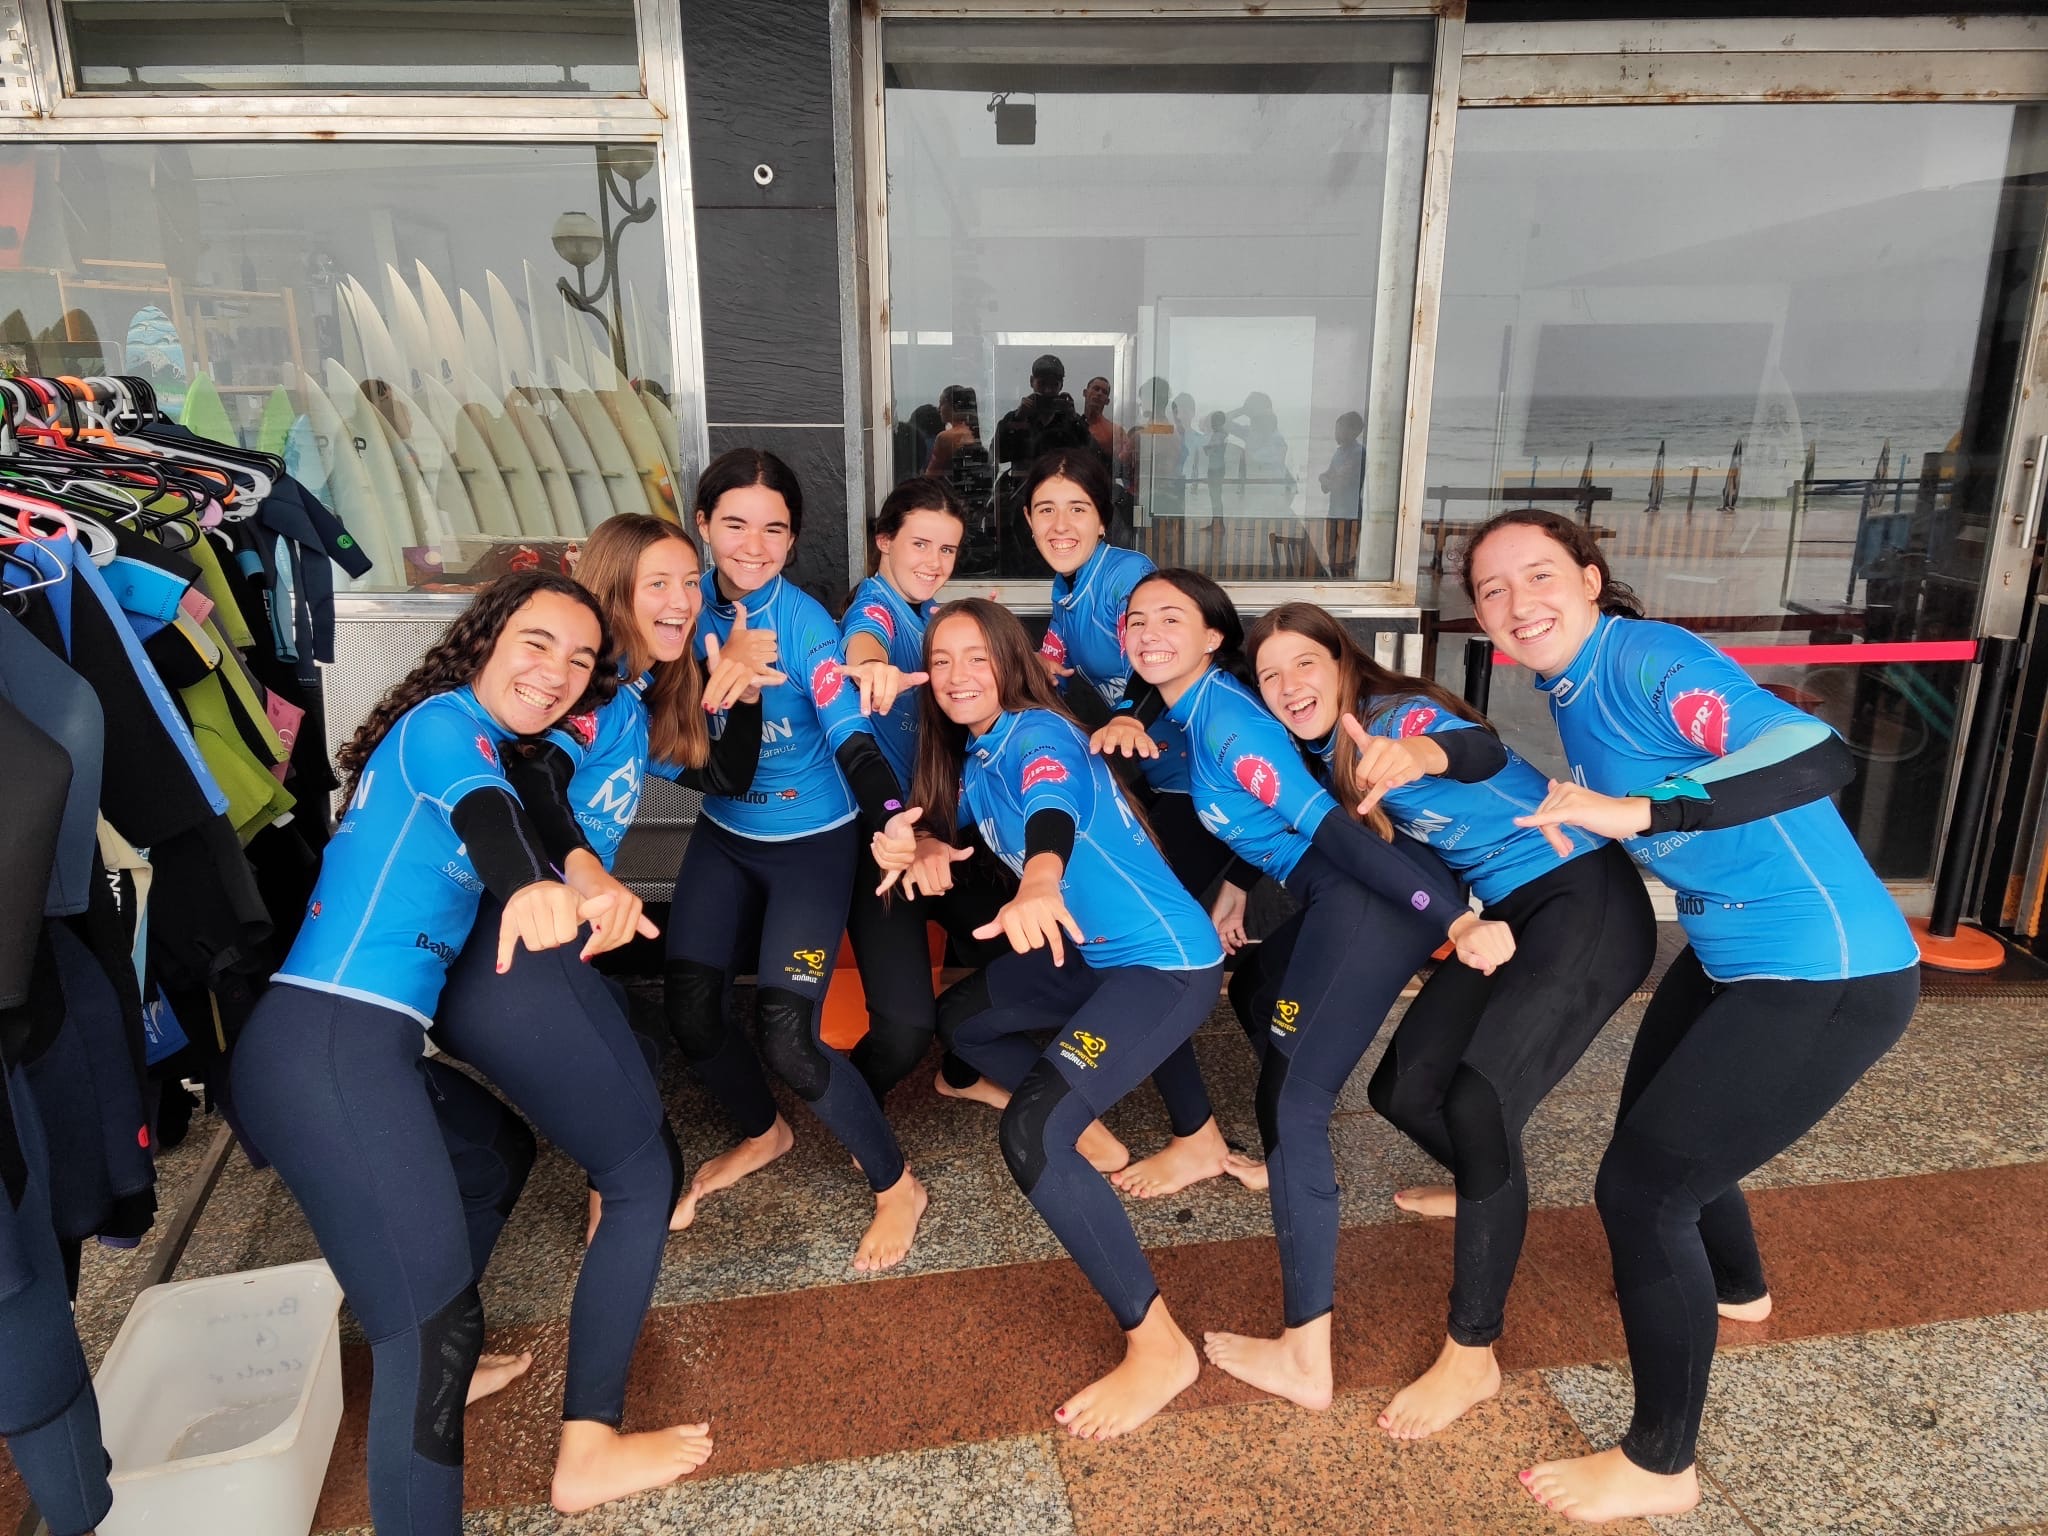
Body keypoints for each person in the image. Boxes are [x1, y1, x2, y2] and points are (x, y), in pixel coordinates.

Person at [1458, 508, 1919, 1525]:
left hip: (1824, 972)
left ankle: (1661, 1464)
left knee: (1639, 1193)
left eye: (1539, 575)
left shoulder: (1644, 660)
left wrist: (1642, 811)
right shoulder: (1570, 686)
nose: (1517, 602)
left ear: (1589, 577)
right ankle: (1735, 1288)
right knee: (1663, 1140)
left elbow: (1809, 750)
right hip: (1727, 959)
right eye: (1492, 590)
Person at [232, 572, 712, 1536]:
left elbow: (525, 799)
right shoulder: (443, 725)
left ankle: (431, 1324)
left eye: (580, 658)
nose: (557, 672)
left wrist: (578, 875)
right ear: (484, 640)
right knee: (430, 1341)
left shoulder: (493, 737)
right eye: (537, 643)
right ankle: (428, 1347)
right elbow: (488, 812)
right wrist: (531, 888)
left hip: (361, 1048)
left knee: (494, 1155)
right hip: (325, 1047)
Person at [1239, 599, 1656, 1437]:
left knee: (1477, 1103)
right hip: (1506, 914)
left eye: (1305, 664)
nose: (1288, 685)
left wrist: (1416, 754)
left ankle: (1473, 1353)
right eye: (1269, 675)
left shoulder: (1395, 717)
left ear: (1342, 662)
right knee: (1402, 1090)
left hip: (1584, 901)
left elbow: (1476, 750)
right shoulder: (1318, 757)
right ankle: (1484, 1188)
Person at [1113, 571, 1514, 1416]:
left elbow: (1339, 833)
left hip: (1368, 896)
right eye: (1135, 620)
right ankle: (1297, 1187)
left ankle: (1305, 1356)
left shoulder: (1227, 722)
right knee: (1271, 1034)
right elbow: (1280, 812)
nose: (1148, 633)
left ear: (1211, 637)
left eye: (1170, 618)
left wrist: (1452, 921)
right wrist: (1236, 883)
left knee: (1291, 1101)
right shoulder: (1198, 707)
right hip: (1341, 895)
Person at [885, 598, 1224, 1440]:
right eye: (943, 660)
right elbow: (964, 823)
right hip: (1093, 956)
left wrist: (1040, 878)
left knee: (1032, 1133)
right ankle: (1083, 1124)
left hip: (1164, 965)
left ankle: (1160, 1347)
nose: (960, 676)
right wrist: (927, 844)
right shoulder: (975, 757)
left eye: (978, 657)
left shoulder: (1039, 734)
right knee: (964, 1021)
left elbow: (1052, 805)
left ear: (1011, 662)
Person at [663, 448, 931, 1272]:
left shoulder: (807, 624)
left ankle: (898, 1185)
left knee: (789, 1038)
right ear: (702, 525)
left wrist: (891, 818)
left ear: (793, 536)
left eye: (774, 529)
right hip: (724, 836)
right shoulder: (679, 615)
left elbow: (850, 734)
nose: (754, 546)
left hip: (812, 846)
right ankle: (764, 1131)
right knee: (691, 1013)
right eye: (734, 524)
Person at [485, 512, 780, 1246]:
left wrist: (745, 693)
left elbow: (726, 777)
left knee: (639, 1038)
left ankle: (614, 1196)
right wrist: (587, 872)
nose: (682, 601)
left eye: (690, 582)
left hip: (568, 922)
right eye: (658, 584)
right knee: (632, 1054)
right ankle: (615, 1206)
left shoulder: (642, 691)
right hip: (519, 916)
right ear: (614, 587)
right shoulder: (594, 688)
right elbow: (536, 778)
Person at [1024, 448, 1243, 1196]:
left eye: (1077, 509)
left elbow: (1158, 655)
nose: (1061, 524)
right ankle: (1190, 1127)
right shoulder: (1066, 587)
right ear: (1027, 521)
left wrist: (1129, 717)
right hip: (1154, 785)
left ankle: (1198, 1136)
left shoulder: (1124, 576)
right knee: (1141, 949)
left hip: (1199, 786)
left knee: (1150, 952)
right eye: (1045, 509)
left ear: (1102, 519)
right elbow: (1053, 661)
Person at [838, 478, 1007, 1109]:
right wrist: (872, 667)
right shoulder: (877, 606)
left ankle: (960, 1071)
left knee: (1023, 948)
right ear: (884, 540)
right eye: (920, 544)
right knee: (903, 1032)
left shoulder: (931, 614)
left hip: (941, 833)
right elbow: (865, 636)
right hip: (880, 843)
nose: (934, 562)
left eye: (948, 549)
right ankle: (856, 1113)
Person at [1320, 410, 1365, 521]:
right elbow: (1325, 483)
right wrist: (1326, 479)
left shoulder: (1358, 453)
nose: (1336, 433)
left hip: (1349, 518)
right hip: (1334, 514)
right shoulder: (1339, 452)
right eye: (1336, 429)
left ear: (1353, 431)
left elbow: (1339, 484)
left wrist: (1328, 480)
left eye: (1340, 429)